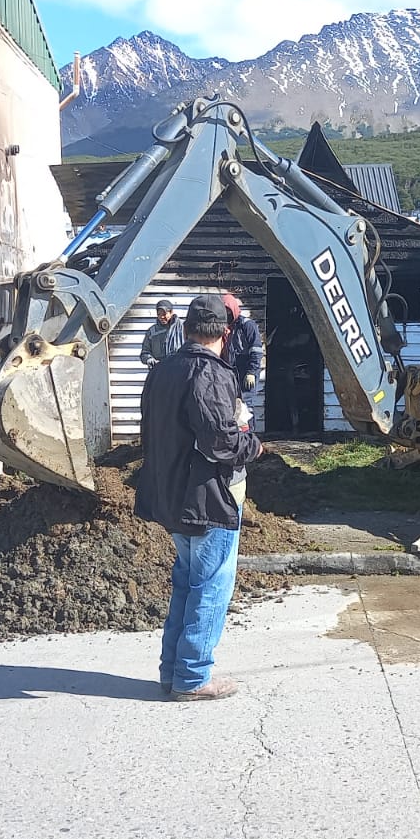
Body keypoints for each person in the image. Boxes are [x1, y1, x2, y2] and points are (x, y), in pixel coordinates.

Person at [135, 293, 265, 702]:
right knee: (211, 586)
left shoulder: (162, 372)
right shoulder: (209, 373)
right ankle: (192, 678)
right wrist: (252, 444)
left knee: (187, 583)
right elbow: (220, 442)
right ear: (224, 334)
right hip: (206, 498)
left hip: (170, 494)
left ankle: (172, 670)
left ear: (186, 328)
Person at [220, 292, 263, 408]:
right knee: (232, 406)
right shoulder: (225, 327)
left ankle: (249, 427)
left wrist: (251, 372)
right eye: (224, 311)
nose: (227, 313)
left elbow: (257, 350)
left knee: (246, 406)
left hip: (245, 371)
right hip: (230, 372)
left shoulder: (247, 325)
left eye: (228, 310)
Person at [139, 299, 183, 369]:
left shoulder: (183, 327)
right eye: (159, 314)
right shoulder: (152, 331)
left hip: (180, 370)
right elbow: (144, 353)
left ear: (171, 312)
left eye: (164, 314)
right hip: (159, 372)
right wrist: (149, 359)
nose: (162, 317)